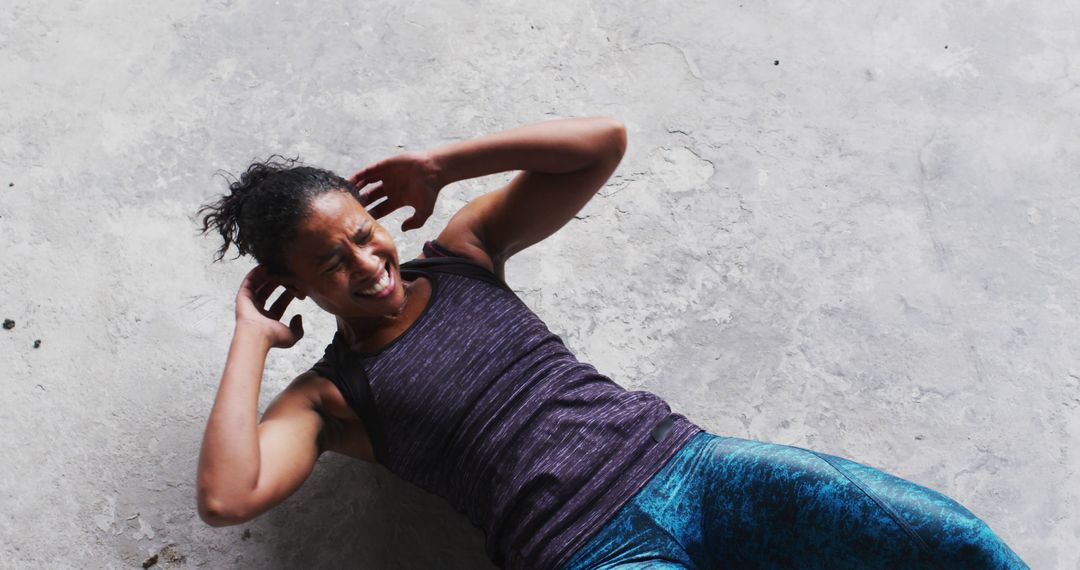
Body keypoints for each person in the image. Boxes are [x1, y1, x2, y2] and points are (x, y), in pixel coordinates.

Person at [195, 116, 1028, 569]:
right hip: (583, 550)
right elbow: (229, 498)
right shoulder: (332, 397)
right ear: (297, 285)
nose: (367, 265)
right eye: (331, 266)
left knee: (944, 542)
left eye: (364, 233)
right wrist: (250, 339)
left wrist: (445, 162)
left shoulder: (462, 257)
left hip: (695, 470)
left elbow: (601, 145)